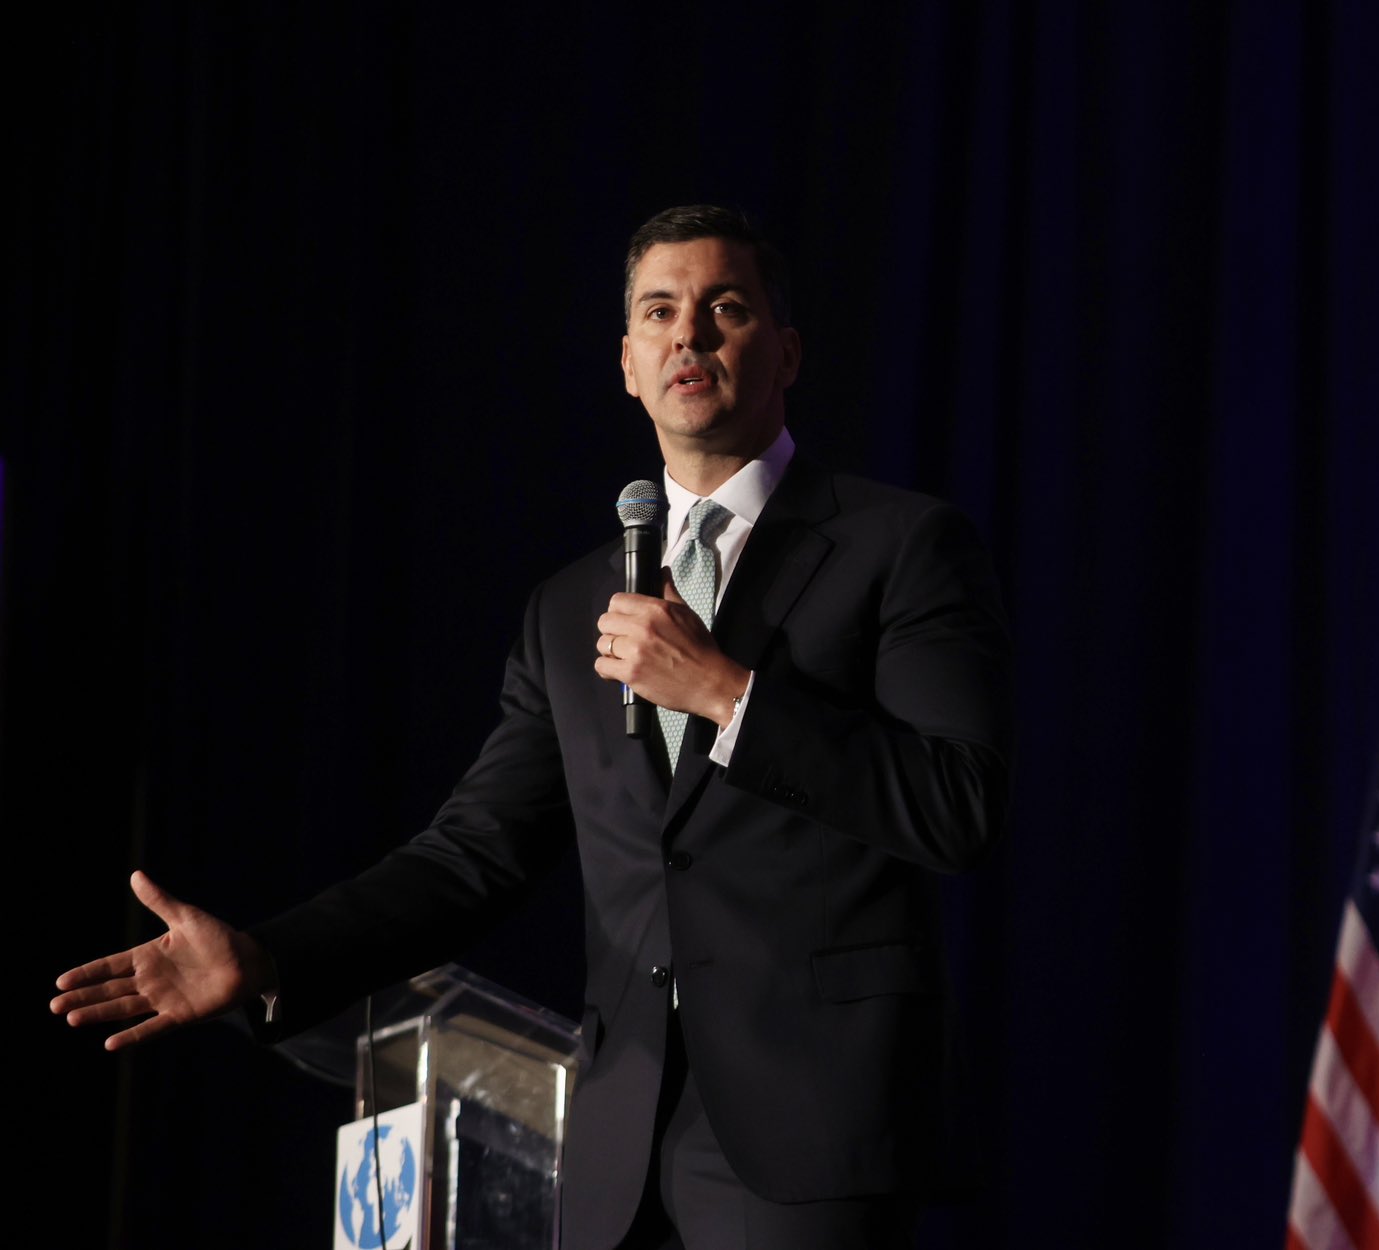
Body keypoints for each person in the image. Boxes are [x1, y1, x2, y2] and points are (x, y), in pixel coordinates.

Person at [51, 205, 1013, 1250]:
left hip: (811, 1134)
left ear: (785, 350)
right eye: (659, 312)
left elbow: (955, 803)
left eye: (723, 307)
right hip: (616, 1146)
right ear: (628, 365)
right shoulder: (567, 609)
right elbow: (474, 854)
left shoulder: (900, 545)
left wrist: (730, 694)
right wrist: (268, 956)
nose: (687, 333)